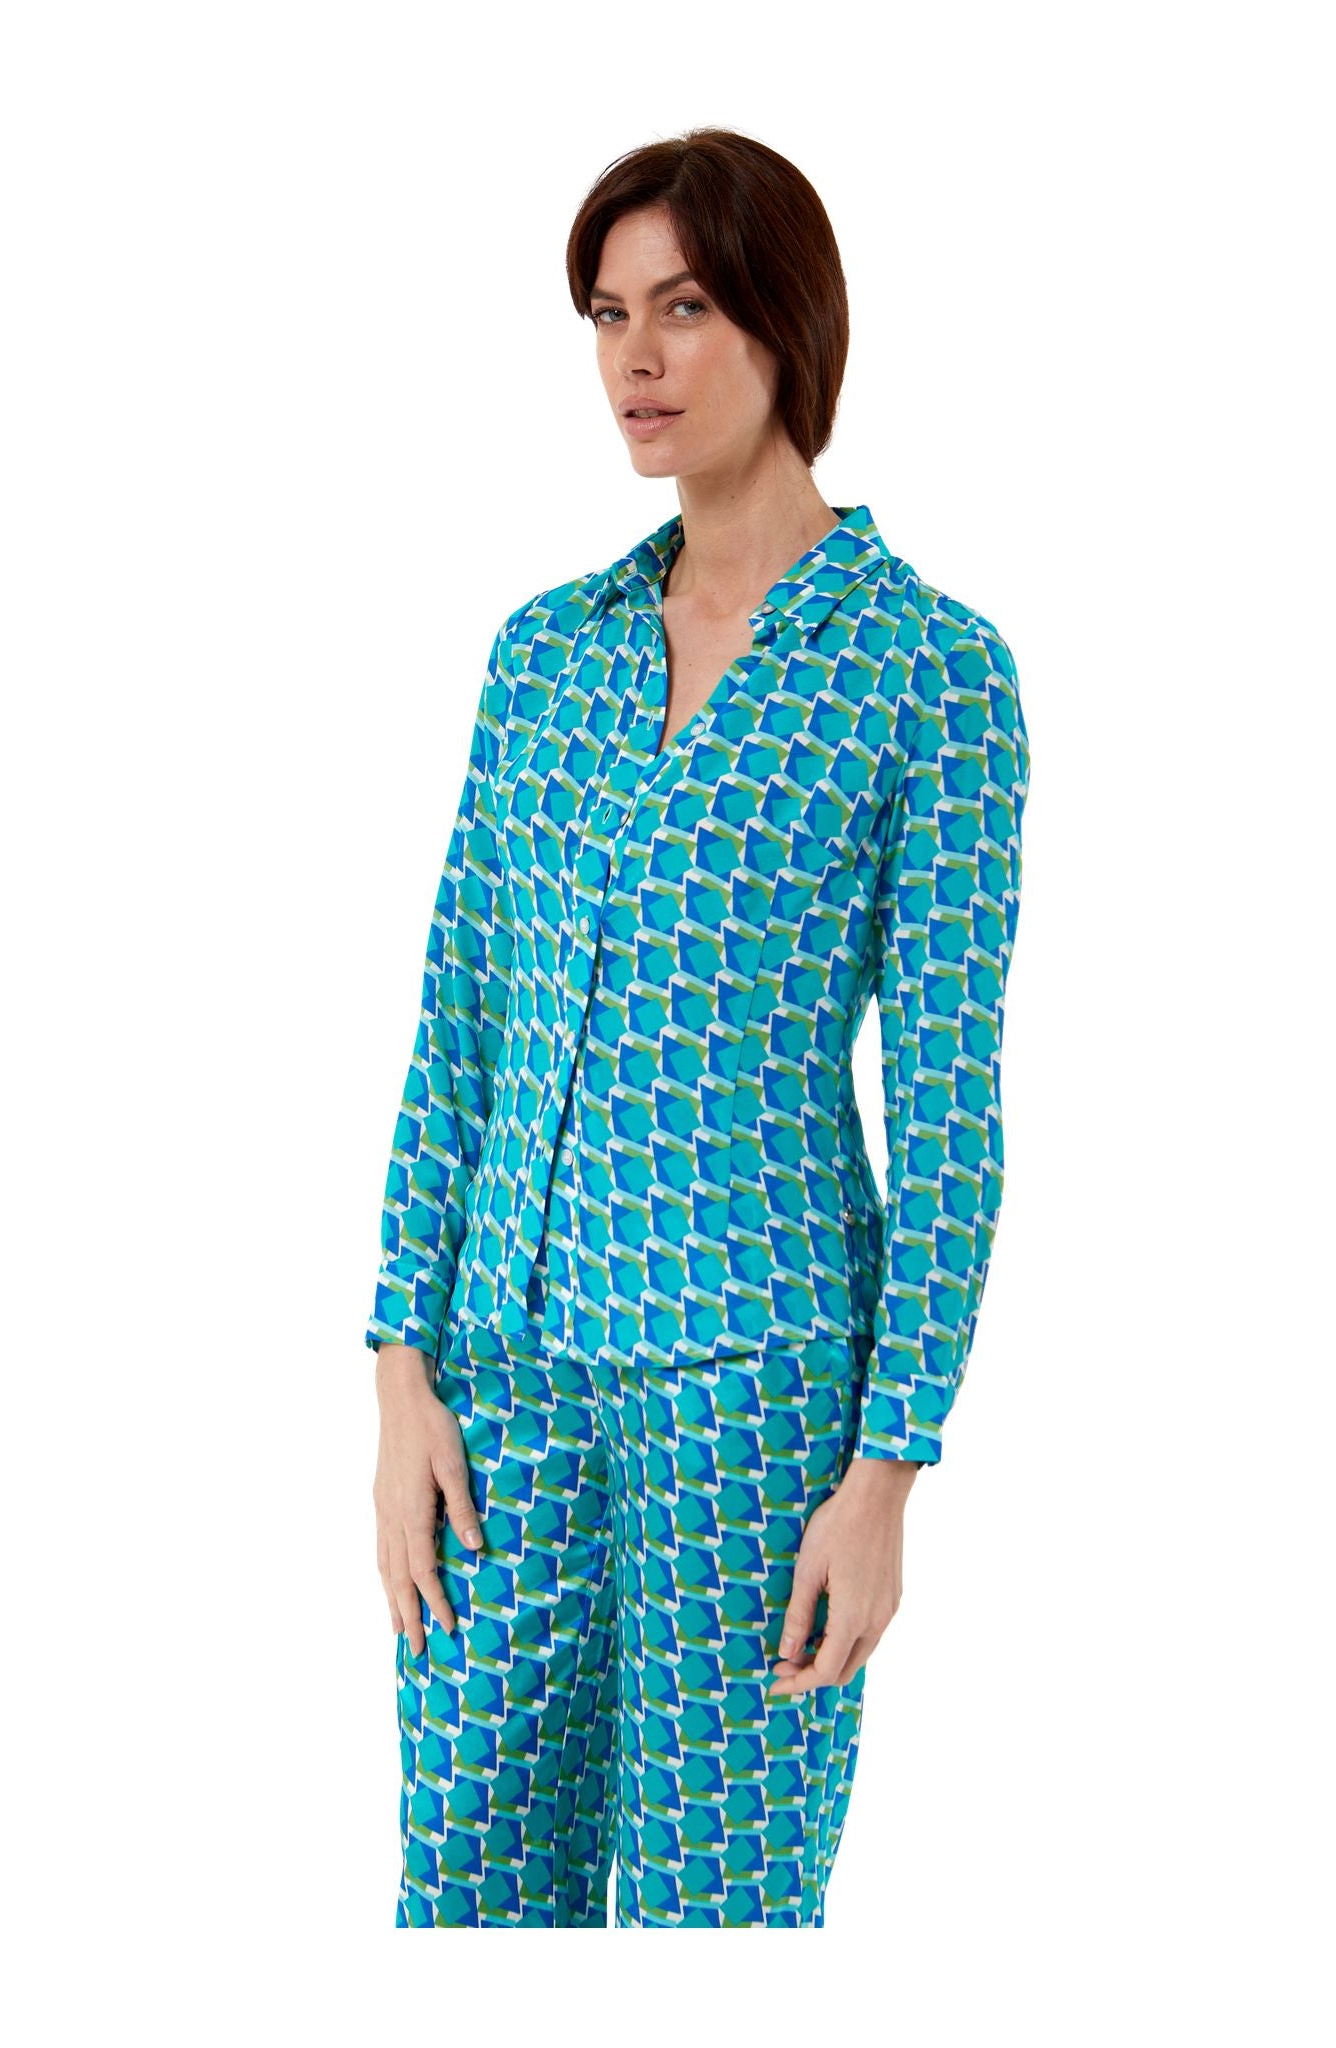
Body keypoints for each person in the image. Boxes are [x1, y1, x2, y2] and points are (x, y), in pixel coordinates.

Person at [365, 126, 1032, 1927]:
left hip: (753, 1408)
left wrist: (887, 1474)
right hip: (500, 1398)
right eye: (607, 316)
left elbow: (949, 1111)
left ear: (784, 325)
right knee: (465, 1894)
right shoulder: (544, 656)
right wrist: (401, 1375)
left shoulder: (930, 676)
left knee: (712, 1923)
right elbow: (460, 1029)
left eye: (682, 308)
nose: (635, 360)